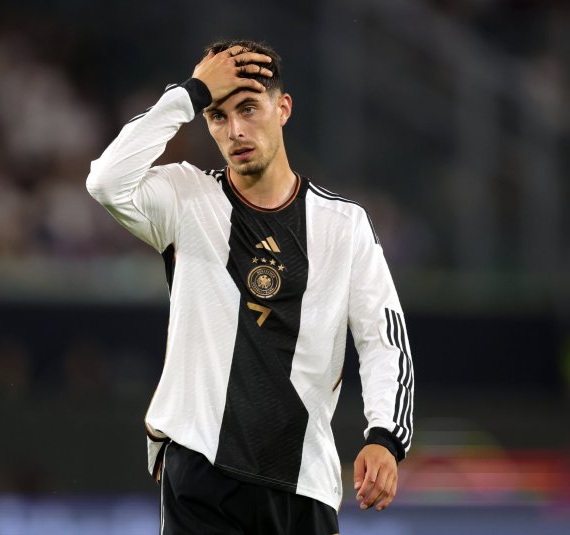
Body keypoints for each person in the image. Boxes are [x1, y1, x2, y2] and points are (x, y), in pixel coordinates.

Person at [86, 39, 414, 534]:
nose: (235, 129)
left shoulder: (343, 225)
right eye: (217, 116)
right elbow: (106, 182)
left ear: (282, 109)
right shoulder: (185, 199)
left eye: (248, 108)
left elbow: (383, 339)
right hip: (201, 472)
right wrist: (191, 93)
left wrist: (385, 436)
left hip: (301, 484)